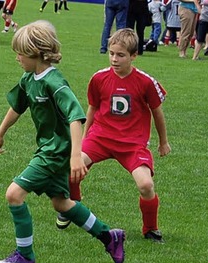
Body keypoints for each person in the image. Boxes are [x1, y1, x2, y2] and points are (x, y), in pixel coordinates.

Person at [0, 20, 126, 263]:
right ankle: (110, 237)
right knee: (61, 203)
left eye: (20, 53)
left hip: (56, 151)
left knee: (14, 194)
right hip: (48, 149)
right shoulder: (29, 78)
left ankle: (24, 256)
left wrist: (75, 155)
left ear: (36, 53)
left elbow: (76, 116)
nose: (17, 57)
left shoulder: (54, 81)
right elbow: (17, 107)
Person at [55, 28, 170, 244]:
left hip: (132, 143)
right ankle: (73, 208)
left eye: (120, 55)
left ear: (134, 56)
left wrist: (163, 142)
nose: (114, 59)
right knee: (72, 169)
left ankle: (151, 228)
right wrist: (83, 142)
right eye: (111, 53)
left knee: (146, 185)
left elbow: (157, 112)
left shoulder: (145, 82)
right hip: (101, 137)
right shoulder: (99, 78)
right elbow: (91, 109)